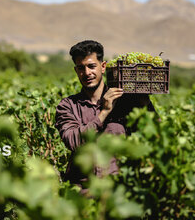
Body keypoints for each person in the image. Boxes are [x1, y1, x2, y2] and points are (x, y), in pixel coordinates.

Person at [54, 40, 156, 193]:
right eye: (81, 68)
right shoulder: (68, 106)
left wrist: (146, 104)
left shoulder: (126, 102)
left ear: (103, 67)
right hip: (82, 192)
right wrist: (104, 112)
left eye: (92, 66)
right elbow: (73, 141)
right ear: (76, 71)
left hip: (119, 192)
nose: (87, 73)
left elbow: (155, 134)